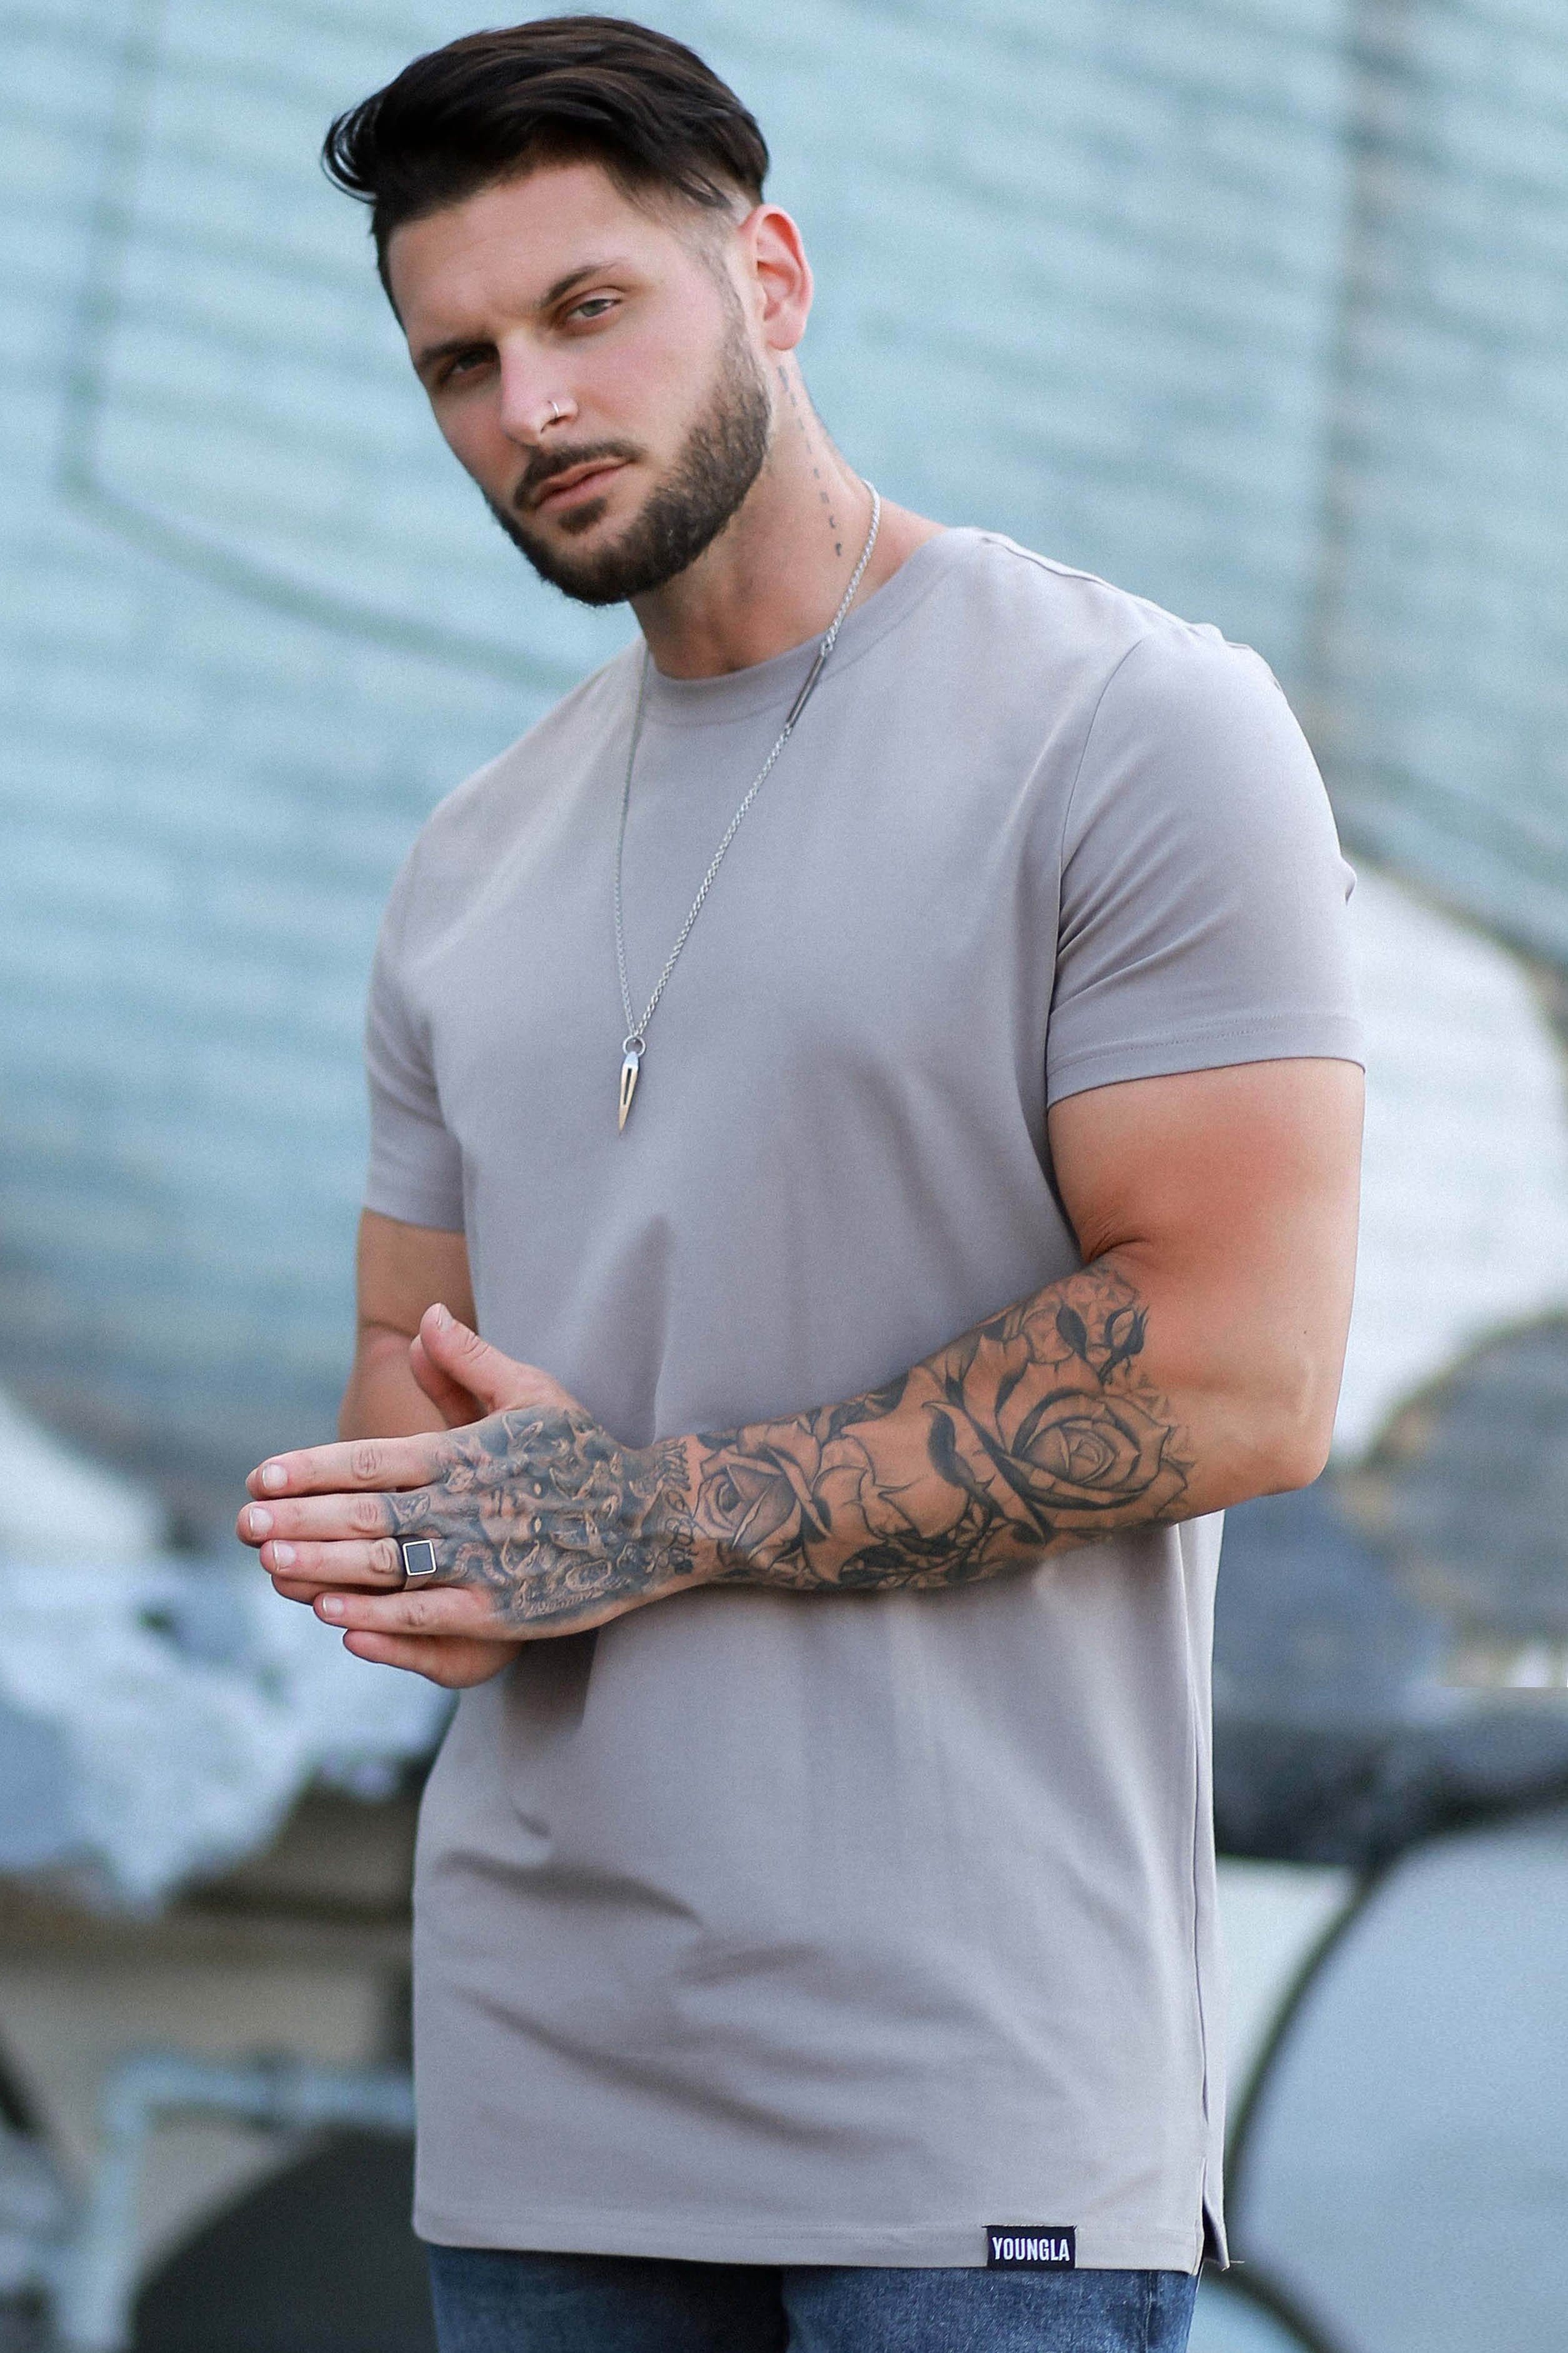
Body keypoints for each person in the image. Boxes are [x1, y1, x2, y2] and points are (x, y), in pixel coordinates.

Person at [236, 18, 1364, 2350]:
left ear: (767, 277)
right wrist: (398, 1546)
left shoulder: (1129, 726)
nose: (532, 406)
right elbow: (421, 1450)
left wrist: (641, 1514)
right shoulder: (466, 863)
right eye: (459, 362)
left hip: (968, 2105)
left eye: (588, 310)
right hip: (541, 2101)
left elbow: (1241, 1373)